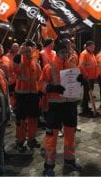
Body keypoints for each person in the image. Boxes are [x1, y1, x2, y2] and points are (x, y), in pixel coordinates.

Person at [40, 41, 82, 176]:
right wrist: (51, 88)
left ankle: (69, 160)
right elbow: (42, 84)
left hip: (70, 106)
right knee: (51, 136)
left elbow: (78, 83)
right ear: (57, 53)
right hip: (55, 107)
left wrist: (81, 79)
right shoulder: (49, 67)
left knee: (70, 135)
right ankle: (48, 166)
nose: (65, 54)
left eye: (66, 51)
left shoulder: (72, 66)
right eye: (62, 52)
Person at [12, 40, 42, 152]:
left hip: (33, 96)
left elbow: (40, 79)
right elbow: (14, 67)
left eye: (30, 51)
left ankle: (31, 139)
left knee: (33, 119)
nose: (28, 53)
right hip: (21, 96)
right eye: (26, 52)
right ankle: (20, 141)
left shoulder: (36, 64)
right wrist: (19, 52)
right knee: (21, 120)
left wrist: (40, 92)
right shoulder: (20, 64)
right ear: (23, 53)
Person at [78, 41, 98, 117]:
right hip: (87, 77)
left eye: (94, 47)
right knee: (87, 93)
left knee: (89, 93)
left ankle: (85, 106)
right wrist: (86, 75)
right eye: (92, 47)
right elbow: (81, 65)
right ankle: (84, 109)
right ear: (88, 47)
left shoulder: (91, 54)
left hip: (91, 77)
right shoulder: (84, 54)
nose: (94, 48)